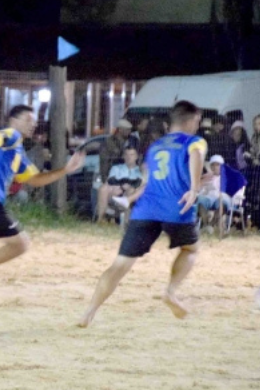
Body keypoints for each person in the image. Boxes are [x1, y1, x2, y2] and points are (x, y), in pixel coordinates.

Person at [79, 101, 206, 327]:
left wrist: (129, 199)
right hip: (177, 208)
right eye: (196, 121)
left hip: (145, 210)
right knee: (191, 250)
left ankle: (89, 312)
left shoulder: (155, 147)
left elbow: (148, 182)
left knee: (119, 265)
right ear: (189, 121)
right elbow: (196, 154)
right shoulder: (194, 141)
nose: (197, 126)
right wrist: (195, 188)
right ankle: (170, 291)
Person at [0, 105, 85, 284]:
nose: (33, 124)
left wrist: (65, 170)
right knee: (20, 244)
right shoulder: (11, 135)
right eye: (28, 119)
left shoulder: (17, 151)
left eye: (34, 121)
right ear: (13, 121)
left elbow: (35, 179)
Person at [96, 146, 142, 221]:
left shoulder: (139, 170)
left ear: (136, 157)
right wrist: (122, 186)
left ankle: (126, 221)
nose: (128, 157)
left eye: (131, 155)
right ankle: (101, 219)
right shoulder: (117, 168)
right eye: (126, 155)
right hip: (116, 192)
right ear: (123, 156)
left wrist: (126, 185)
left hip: (131, 193)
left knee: (131, 190)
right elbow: (111, 180)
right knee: (103, 188)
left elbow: (139, 182)